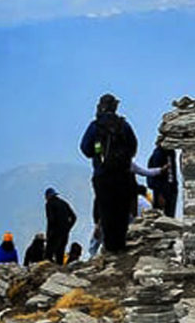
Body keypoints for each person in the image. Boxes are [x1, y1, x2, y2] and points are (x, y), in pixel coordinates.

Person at [79, 92, 138, 254]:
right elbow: (133, 146)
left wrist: (98, 156)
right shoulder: (124, 125)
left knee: (106, 210)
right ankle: (120, 244)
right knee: (121, 208)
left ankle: (110, 246)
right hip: (123, 175)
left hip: (102, 175)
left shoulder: (95, 126)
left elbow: (85, 148)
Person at [147, 137, 179, 217]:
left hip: (171, 188)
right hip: (162, 190)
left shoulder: (171, 152)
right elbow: (154, 176)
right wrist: (159, 194)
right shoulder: (158, 154)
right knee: (160, 215)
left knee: (170, 216)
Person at [44, 187, 77, 264]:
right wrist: (68, 227)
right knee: (60, 253)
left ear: (48, 196)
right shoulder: (64, 203)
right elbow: (74, 217)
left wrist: (49, 234)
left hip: (55, 232)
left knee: (48, 254)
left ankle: (49, 272)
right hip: (65, 232)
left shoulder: (49, 204)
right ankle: (60, 270)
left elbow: (50, 220)